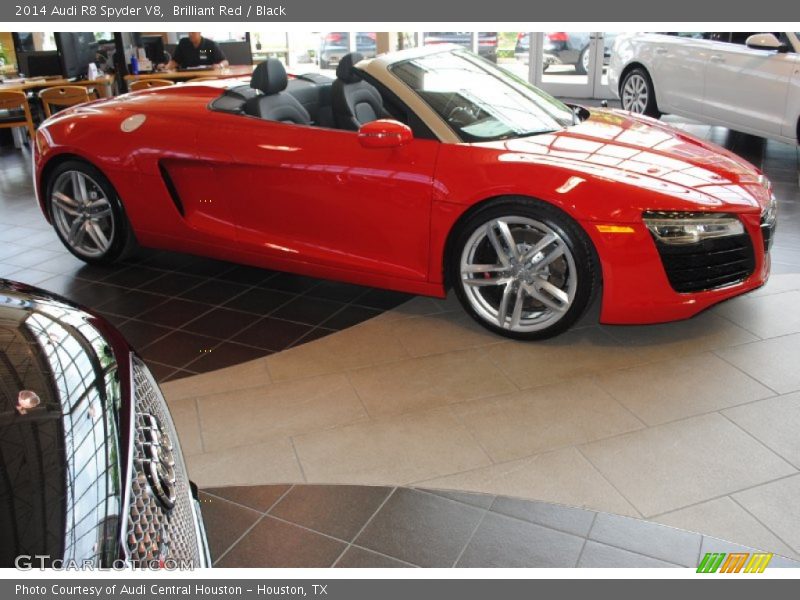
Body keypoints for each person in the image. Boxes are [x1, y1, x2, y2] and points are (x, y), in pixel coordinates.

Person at [164, 33, 228, 70]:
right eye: (189, 32)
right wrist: (166, 67)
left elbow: (225, 62)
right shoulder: (183, 43)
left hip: (206, 76)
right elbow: (175, 61)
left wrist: (220, 66)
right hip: (186, 77)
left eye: (193, 32)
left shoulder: (210, 45)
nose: (190, 34)